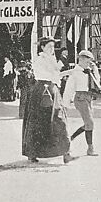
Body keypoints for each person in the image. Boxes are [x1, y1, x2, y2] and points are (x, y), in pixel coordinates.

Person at [22, 36, 77, 164]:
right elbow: (50, 75)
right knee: (41, 122)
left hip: (52, 90)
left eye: (53, 46)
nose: (52, 49)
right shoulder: (40, 60)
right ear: (42, 47)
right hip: (43, 90)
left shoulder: (51, 59)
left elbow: (55, 75)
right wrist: (67, 71)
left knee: (58, 120)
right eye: (49, 46)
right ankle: (33, 152)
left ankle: (65, 152)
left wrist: (66, 71)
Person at [63, 50, 101, 156]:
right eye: (87, 61)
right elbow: (69, 89)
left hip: (89, 97)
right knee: (90, 123)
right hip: (80, 98)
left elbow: (97, 84)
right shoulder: (75, 72)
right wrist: (65, 105)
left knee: (88, 124)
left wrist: (95, 71)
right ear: (80, 60)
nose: (89, 64)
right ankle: (90, 149)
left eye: (90, 62)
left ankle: (70, 139)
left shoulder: (89, 71)